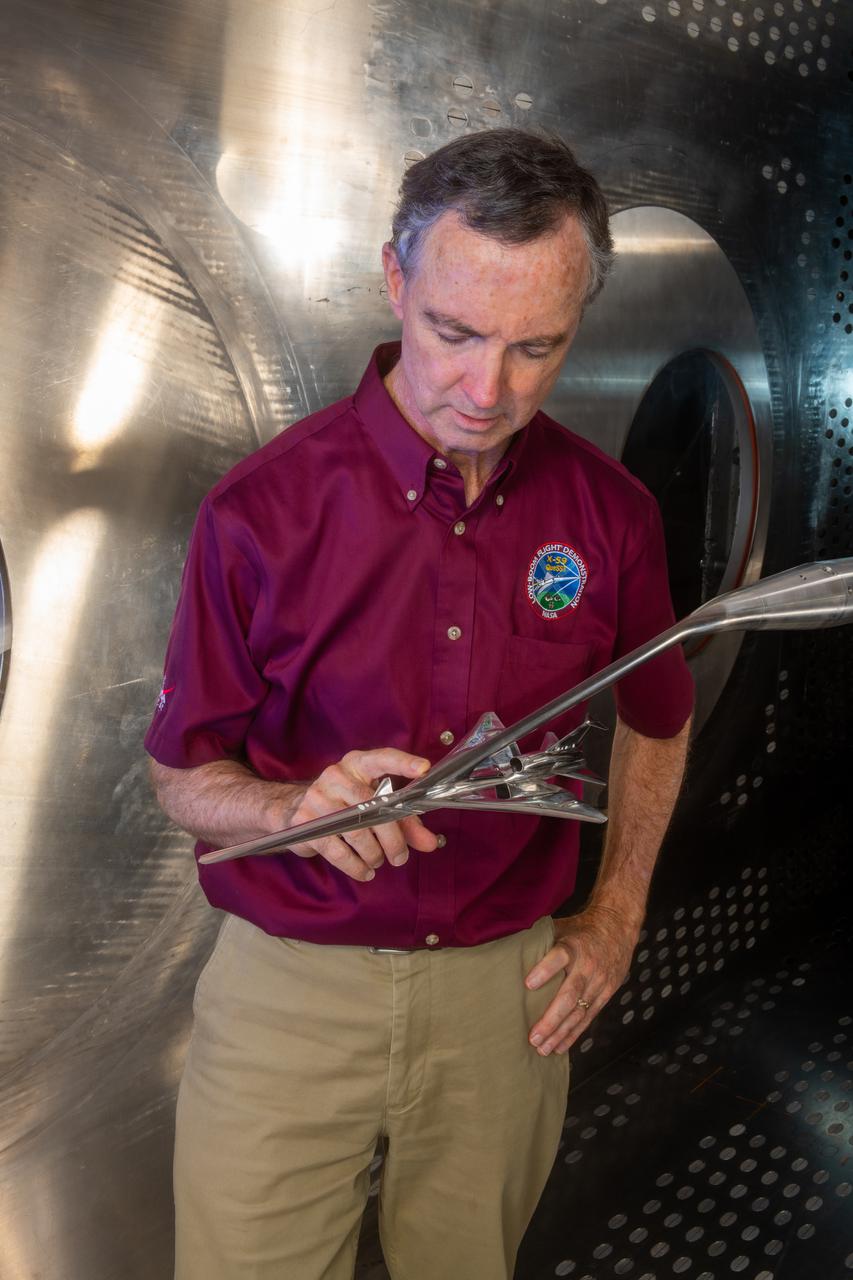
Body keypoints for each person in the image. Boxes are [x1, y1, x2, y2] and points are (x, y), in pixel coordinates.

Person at [146, 127, 694, 1280]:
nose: (485, 389)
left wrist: (618, 914)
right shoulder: (259, 513)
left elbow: (657, 710)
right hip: (291, 990)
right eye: (452, 332)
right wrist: (297, 803)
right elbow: (180, 775)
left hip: (507, 997)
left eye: (535, 347)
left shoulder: (611, 515)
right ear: (397, 280)